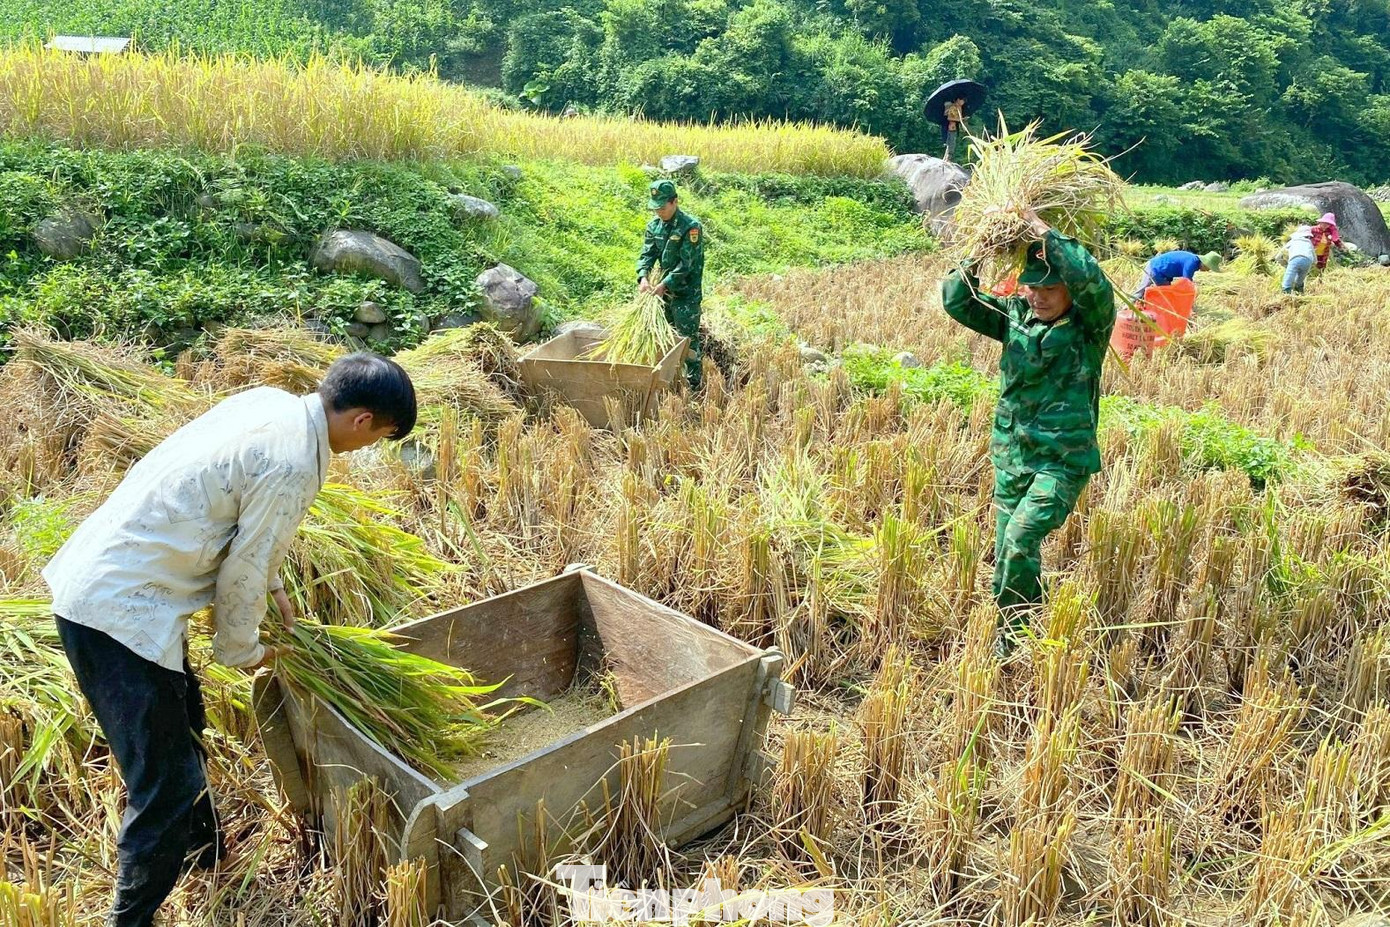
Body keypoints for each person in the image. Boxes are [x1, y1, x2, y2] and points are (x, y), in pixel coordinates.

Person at [42, 354, 417, 927]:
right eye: (381, 436)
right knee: (165, 785)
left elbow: (235, 515)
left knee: (184, 717)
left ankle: (204, 854)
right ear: (363, 421)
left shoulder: (270, 404)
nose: (369, 448)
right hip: (116, 612)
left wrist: (273, 582)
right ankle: (130, 918)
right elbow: (240, 568)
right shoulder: (295, 462)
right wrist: (245, 650)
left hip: (111, 576)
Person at [941, 208, 1115, 654]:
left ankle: (1015, 633)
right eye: (1032, 286)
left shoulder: (1088, 328)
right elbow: (957, 300)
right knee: (1005, 550)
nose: (1038, 295)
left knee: (1020, 539)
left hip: (1062, 461)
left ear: (1069, 291)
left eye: (1050, 287)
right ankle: (1016, 629)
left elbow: (1094, 280)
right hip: (1012, 454)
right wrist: (981, 247)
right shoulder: (1013, 316)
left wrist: (1044, 232)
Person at [638, 179, 705, 389]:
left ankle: (693, 386)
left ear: (674, 201)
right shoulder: (654, 226)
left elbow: (687, 264)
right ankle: (668, 381)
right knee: (664, 338)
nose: (659, 211)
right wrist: (643, 277)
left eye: (663, 207)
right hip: (662, 294)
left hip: (685, 294)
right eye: (655, 207)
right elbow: (647, 255)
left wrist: (664, 284)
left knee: (687, 341)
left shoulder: (691, 227)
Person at [1131, 249, 1222, 300]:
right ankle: (1125, 309)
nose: (1208, 270)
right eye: (1209, 268)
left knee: (1168, 295)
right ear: (1205, 263)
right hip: (1155, 268)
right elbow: (1186, 283)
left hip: (1163, 274)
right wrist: (1189, 301)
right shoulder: (1192, 262)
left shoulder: (1194, 262)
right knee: (1141, 292)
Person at [1278, 225, 1316, 294]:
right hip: (1308, 260)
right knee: (1301, 277)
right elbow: (1314, 255)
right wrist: (1314, 263)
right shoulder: (1309, 242)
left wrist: (1279, 260)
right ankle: (1299, 290)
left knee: (1289, 275)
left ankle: (1286, 292)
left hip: (1295, 259)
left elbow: (1281, 252)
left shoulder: (1293, 241)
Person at [942, 97, 966, 162]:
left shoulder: (959, 108)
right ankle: (947, 159)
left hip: (955, 127)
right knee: (951, 144)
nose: (963, 102)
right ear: (958, 100)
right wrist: (959, 120)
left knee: (951, 143)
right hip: (951, 127)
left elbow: (959, 117)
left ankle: (946, 158)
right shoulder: (953, 108)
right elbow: (949, 118)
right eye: (962, 100)